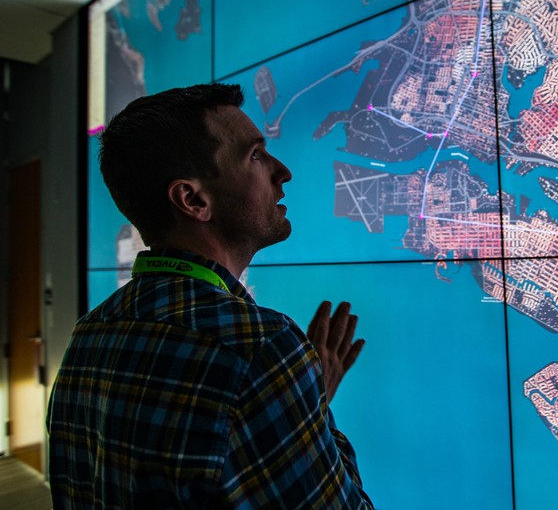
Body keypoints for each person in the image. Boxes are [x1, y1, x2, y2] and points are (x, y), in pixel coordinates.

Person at [47, 83, 373, 508]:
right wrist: (311, 407)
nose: (282, 171)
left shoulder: (88, 336)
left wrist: (293, 408)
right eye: (255, 155)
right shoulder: (259, 349)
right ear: (193, 199)